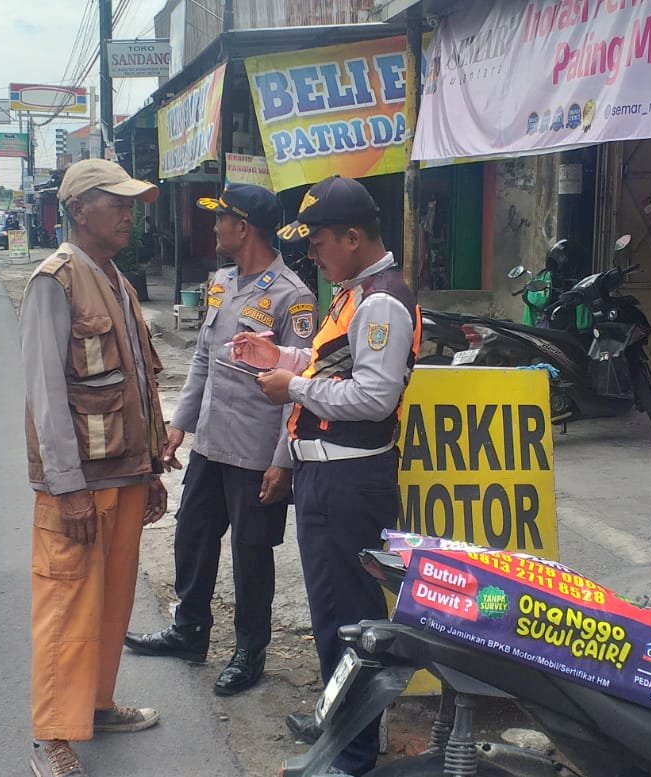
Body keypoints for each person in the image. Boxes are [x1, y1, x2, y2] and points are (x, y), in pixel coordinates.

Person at [230, 175, 421, 776]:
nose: (310, 254)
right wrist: (282, 360)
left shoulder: (382, 300)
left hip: (349, 481)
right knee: (333, 616)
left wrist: (295, 386)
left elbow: (374, 396)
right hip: (325, 476)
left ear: (354, 236)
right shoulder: (352, 291)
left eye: (317, 243)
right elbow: (329, 364)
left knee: (349, 619)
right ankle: (340, 733)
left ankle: (355, 756)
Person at [124, 184, 316, 697]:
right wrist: (179, 424)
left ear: (245, 226)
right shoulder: (221, 283)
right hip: (211, 442)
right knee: (192, 537)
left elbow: (298, 388)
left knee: (252, 554)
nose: (214, 227)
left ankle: (249, 651)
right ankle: (189, 631)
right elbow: (205, 362)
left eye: (221, 219)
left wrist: (283, 463)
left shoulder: (292, 296)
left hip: (256, 451)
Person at [21, 159, 171, 777]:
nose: (129, 216)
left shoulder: (116, 278)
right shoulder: (53, 283)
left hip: (126, 475)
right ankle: (54, 736)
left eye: (133, 205)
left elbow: (138, 383)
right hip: (80, 484)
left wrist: (152, 469)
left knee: (112, 602)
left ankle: (98, 704)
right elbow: (46, 395)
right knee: (66, 604)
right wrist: (68, 489)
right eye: (119, 204)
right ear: (81, 209)